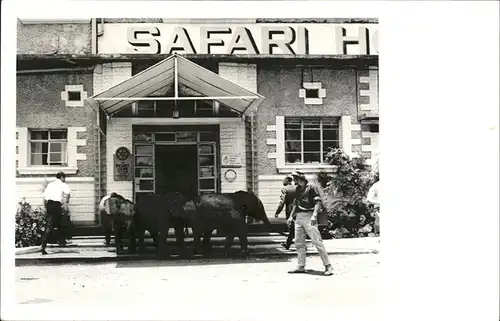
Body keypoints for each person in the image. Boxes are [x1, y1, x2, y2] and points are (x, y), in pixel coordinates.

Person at [287, 170, 334, 276]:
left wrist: (314, 215)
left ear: (300, 178)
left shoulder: (311, 187)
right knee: (299, 243)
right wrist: (291, 216)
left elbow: (318, 202)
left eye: (295, 178)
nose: (294, 180)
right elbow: (295, 203)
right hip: (299, 217)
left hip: (309, 216)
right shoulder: (297, 189)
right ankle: (301, 266)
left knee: (317, 241)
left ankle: (328, 266)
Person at [40, 171, 71, 255]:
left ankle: (44, 245)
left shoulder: (50, 185)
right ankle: (60, 241)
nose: (65, 180)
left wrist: (44, 208)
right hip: (56, 205)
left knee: (50, 225)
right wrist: (66, 202)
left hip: (49, 205)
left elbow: (44, 197)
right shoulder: (62, 184)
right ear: (61, 177)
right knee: (60, 223)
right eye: (64, 178)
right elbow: (68, 193)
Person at [274, 175, 297, 250]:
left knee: (292, 228)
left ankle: (289, 244)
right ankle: (288, 244)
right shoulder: (297, 187)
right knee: (297, 228)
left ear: (287, 180)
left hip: (290, 210)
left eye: (284, 180)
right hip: (298, 209)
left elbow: (282, 202)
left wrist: (277, 212)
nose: (283, 181)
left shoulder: (284, 189)